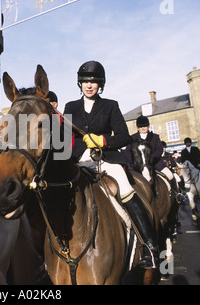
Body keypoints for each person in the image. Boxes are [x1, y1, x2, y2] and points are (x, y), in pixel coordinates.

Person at [64, 60, 159, 269]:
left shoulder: (110, 105)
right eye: (85, 81)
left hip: (105, 160)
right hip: (79, 160)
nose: (89, 85)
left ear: (100, 85)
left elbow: (124, 137)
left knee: (125, 188)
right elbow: (64, 139)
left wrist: (103, 141)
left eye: (94, 82)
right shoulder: (70, 107)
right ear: (80, 84)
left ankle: (150, 248)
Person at [124, 116, 183, 201]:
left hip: (155, 163)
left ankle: (177, 194)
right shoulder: (132, 138)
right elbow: (127, 152)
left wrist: (150, 159)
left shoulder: (155, 137)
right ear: (137, 128)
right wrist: (132, 163)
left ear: (148, 126)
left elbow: (159, 150)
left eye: (145, 126)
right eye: (141, 127)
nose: (143, 128)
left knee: (170, 175)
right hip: (138, 165)